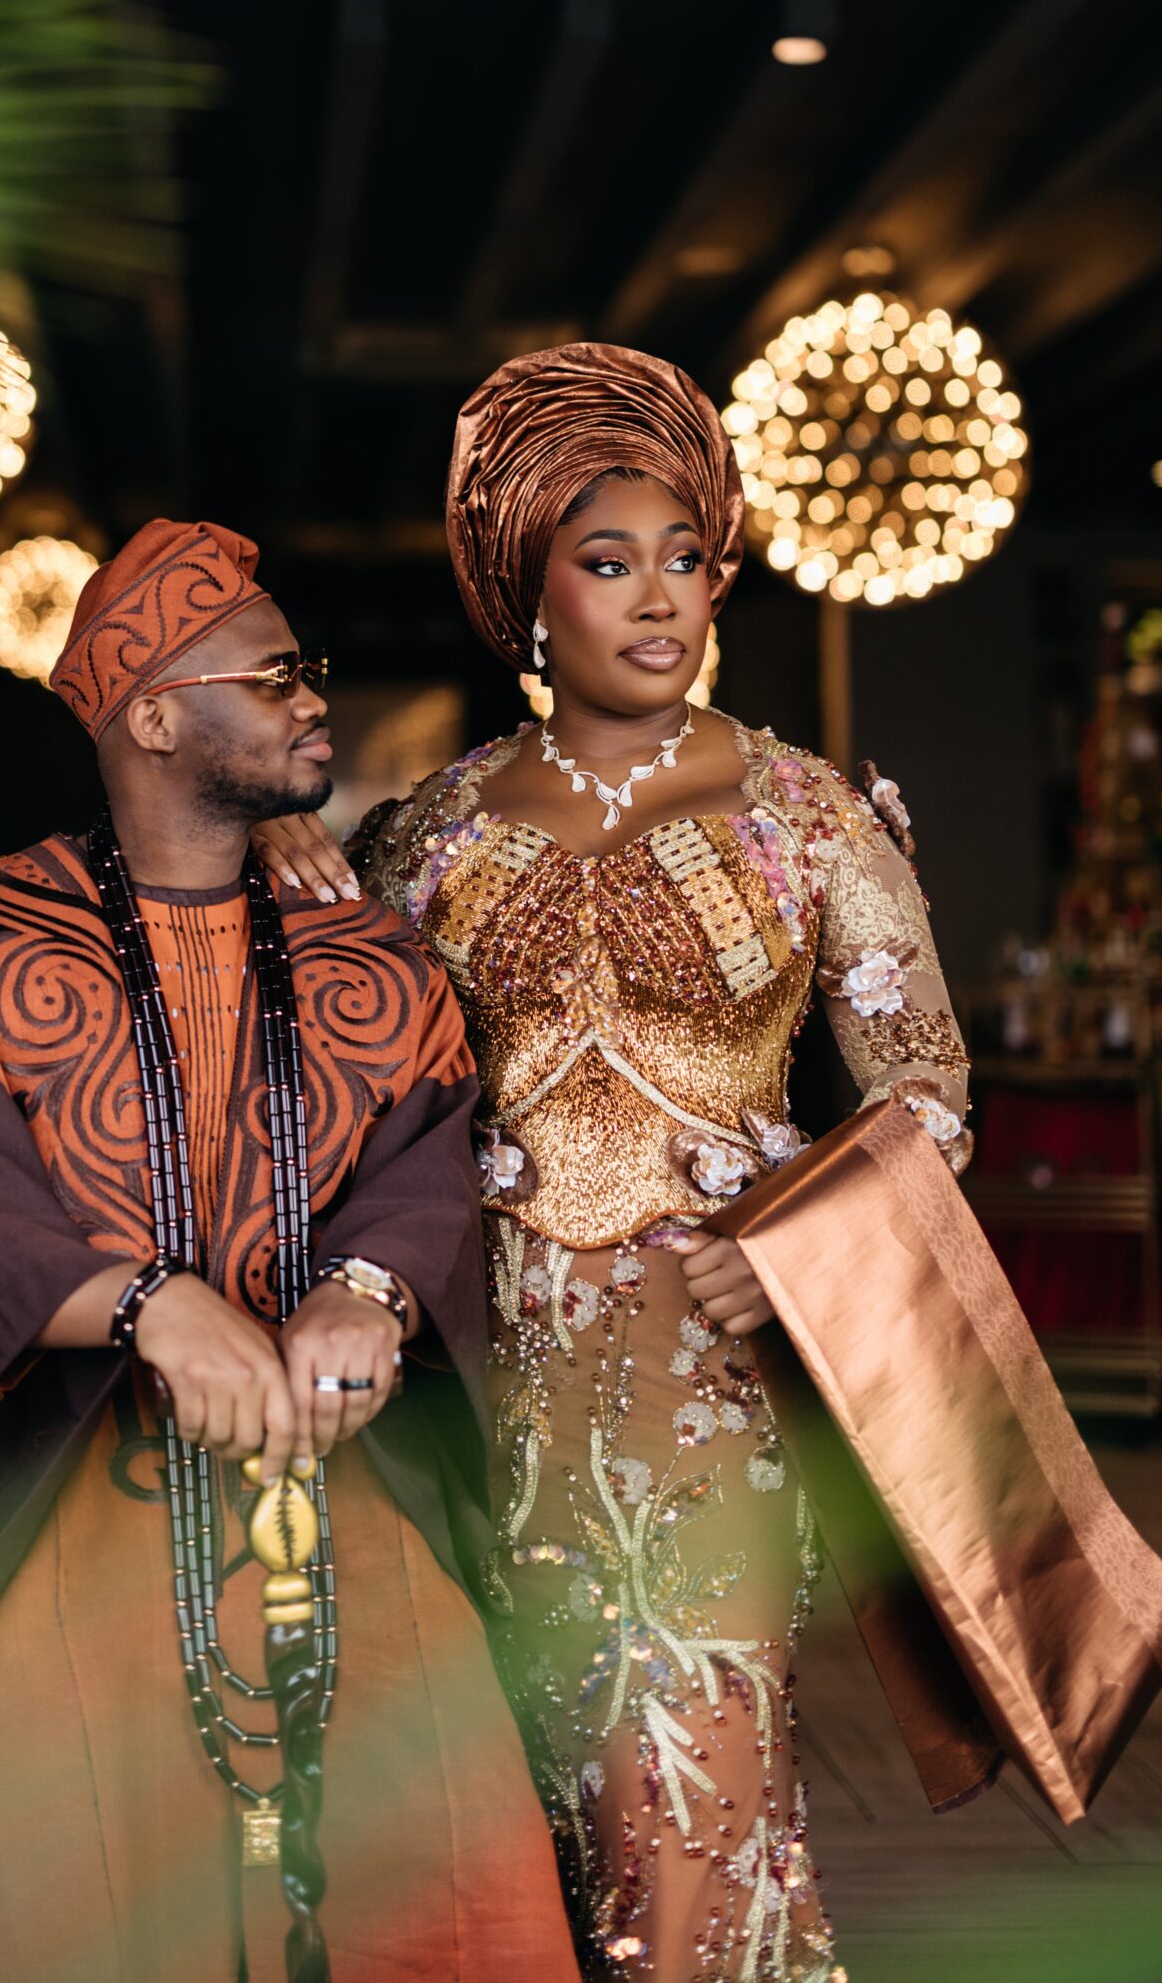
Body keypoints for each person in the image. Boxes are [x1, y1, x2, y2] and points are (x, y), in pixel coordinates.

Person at [0, 517, 578, 1983]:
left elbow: (429, 1156)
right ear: (156, 718)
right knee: (62, 1867)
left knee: (445, 1846)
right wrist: (152, 1305)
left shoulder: (372, 955)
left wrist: (369, 1293)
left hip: (339, 1485)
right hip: (57, 1493)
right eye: (274, 676)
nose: (313, 700)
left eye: (306, 670)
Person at [255, 342, 975, 1983]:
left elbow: (927, 1091)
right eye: (607, 561)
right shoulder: (420, 838)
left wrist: (795, 1245)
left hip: (711, 1382)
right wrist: (283, 875)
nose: (660, 597)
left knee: (695, 1781)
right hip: (480, 1388)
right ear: (529, 595)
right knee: (517, 1809)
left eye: (686, 558)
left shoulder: (809, 816)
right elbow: (348, 1095)